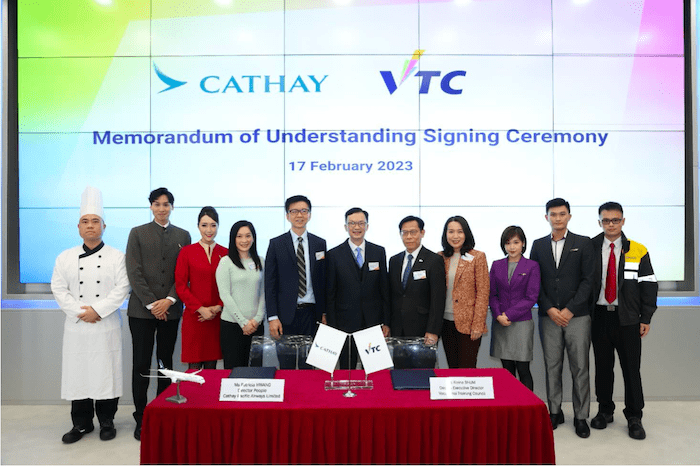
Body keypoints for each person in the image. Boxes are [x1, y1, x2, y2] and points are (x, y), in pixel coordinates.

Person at [51, 187, 130, 443]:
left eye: (95, 221)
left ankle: (107, 421)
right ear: (78, 227)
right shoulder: (64, 257)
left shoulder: (117, 257)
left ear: (103, 226)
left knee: (106, 373)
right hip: (77, 326)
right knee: (79, 374)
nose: (90, 226)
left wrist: (98, 310)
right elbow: (58, 288)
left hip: (105, 324)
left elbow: (123, 288)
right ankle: (81, 424)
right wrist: (80, 312)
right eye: (85, 221)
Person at [126, 187, 191, 441]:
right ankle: (141, 418)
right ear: (151, 206)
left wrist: (169, 300)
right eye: (157, 204)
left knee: (165, 365)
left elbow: (183, 274)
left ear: (172, 207)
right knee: (141, 364)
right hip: (141, 312)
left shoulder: (183, 235)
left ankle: (163, 413)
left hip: (171, 310)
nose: (162, 208)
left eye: (166, 204)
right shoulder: (137, 233)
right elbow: (134, 272)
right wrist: (153, 304)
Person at [589, 202, 657, 440]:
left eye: (615, 220)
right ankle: (605, 410)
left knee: (631, 369)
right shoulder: (590, 247)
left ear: (623, 221)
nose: (611, 224)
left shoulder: (638, 250)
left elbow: (649, 286)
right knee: (602, 367)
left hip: (627, 319)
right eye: (606, 220)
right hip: (599, 316)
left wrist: (645, 317)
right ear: (600, 222)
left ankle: (634, 416)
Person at [530, 198, 595, 438]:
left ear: (569, 216)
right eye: (553, 214)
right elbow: (534, 280)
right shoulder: (538, 245)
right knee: (552, 366)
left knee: (580, 367)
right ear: (546, 217)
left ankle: (581, 416)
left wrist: (570, 309)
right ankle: (555, 411)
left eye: (562, 214)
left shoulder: (583, 243)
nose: (557, 218)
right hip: (549, 316)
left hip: (577, 316)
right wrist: (548, 308)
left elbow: (589, 280)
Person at [326, 208, 391, 369]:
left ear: (367, 226)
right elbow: (330, 293)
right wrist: (332, 326)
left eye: (361, 223)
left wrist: (386, 321)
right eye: (352, 223)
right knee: (347, 369)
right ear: (345, 227)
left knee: (374, 369)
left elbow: (384, 289)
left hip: (373, 323)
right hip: (344, 323)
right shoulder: (334, 255)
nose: (356, 227)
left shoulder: (378, 252)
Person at [265, 195, 326, 339]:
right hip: (285, 315)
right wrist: (272, 317)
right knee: (286, 354)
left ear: (309, 215)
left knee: (312, 354)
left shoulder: (319, 243)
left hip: (313, 314)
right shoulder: (276, 244)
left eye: (304, 211)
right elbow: (270, 283)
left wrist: (324, 312)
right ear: (287, 216)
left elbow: (323, 280)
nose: (299, 215)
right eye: (294, 211)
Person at [175, 207, 226, 370]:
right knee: (194, 368)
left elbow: (230, 285)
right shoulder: (187, 252)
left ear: (218, 226)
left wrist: (218, 306)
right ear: (198, 226)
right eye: (204, 225)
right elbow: (181, 285)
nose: (209, 230)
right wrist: (200, 309)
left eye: (213, 225)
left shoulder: (225, 253)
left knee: (212, 368)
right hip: (195, 317)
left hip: (217, 318)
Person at [489, 226, 540, 390]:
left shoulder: (532, 266)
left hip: (521, 324)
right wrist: (498, 315)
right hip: (501, 323)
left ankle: (528, 404)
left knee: (523, 369)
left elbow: (531, 297)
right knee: (507, 370)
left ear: (523, 243)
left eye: (516, 242)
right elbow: (492, 294)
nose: (512, 247)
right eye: (508, 243)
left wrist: (508, 315)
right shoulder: (496, 265)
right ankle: (509, 403)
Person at [438, 216, 489, 368]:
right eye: (451, 231)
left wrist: (478, 324)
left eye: (460, 231)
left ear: (466, 233)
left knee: (467, 369)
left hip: (469, 324)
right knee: (452, 369)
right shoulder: (440, 257)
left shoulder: (478, 257)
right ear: (445, 234)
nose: (455, 236)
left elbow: (483, 292)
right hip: (445, 323)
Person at [216, 221, 266, 369]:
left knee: (256, 372)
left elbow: (264, 292)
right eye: (239, 236)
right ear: (233, 238)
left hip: (256, 326)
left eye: (248, 236)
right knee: (234, 372)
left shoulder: (261, 261)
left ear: (253, 238)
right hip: (232, 326)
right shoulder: (226, 262)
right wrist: (243, 322)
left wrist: (257, 319)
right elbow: (225, 295)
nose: (244, 240)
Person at [388, 216, 446, 342]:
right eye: (405, 233)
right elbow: (391, 295)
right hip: (397, 328)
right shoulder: (394, 261)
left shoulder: (434, 260)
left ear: (422, 233)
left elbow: (438, 299)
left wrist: (433, 330)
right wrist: (387, 324)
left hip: (422, 328)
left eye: (413, 232)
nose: (409, 237)